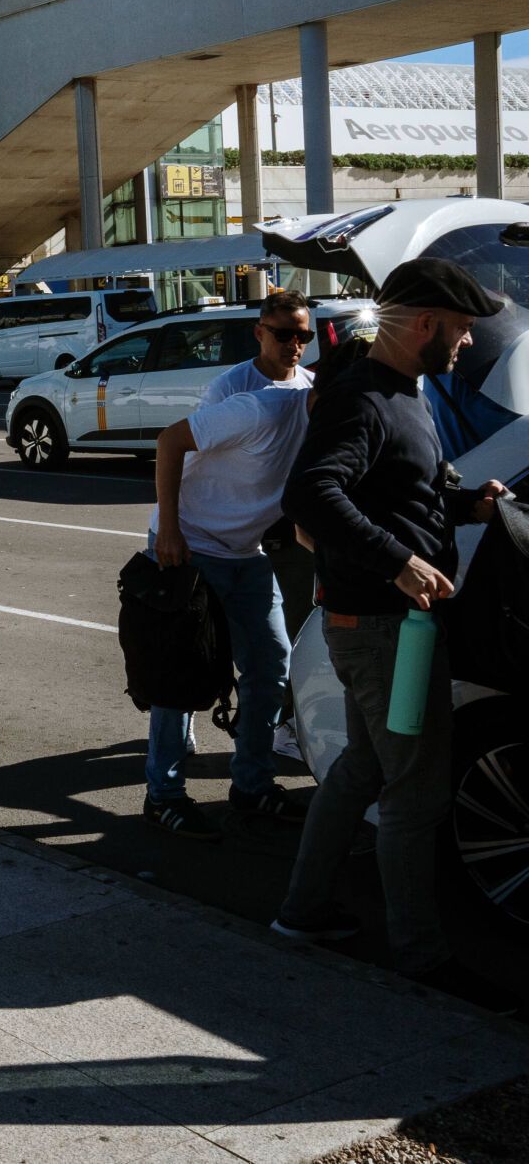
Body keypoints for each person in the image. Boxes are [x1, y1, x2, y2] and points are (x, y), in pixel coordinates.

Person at [275, 257, 516, 1014]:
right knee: (416, 790)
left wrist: (465, 504)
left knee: (361, 771)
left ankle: (300, 912)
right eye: (462, 327)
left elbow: (409, 487)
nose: (470, 342)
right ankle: (421, 956)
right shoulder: (363, 399)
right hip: (390, 633)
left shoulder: (403, 391)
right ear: (423, 324)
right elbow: (310, 493)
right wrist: (402, 560)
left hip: (371, 628)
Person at [141, 336, 372, 841]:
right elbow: (169, 442)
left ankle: (251, 786)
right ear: (329, 395)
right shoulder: (262, 409)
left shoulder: (332, 431)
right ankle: (162, 795)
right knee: (184, 673)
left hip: (246, 553)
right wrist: (172, 531)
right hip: (190, 547)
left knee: (271, 664)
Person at [202, 288, 315, 404]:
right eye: (284, 335)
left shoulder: (314, 386)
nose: (293, 344)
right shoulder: (229, 387)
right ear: (259, 333)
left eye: (303, 335)